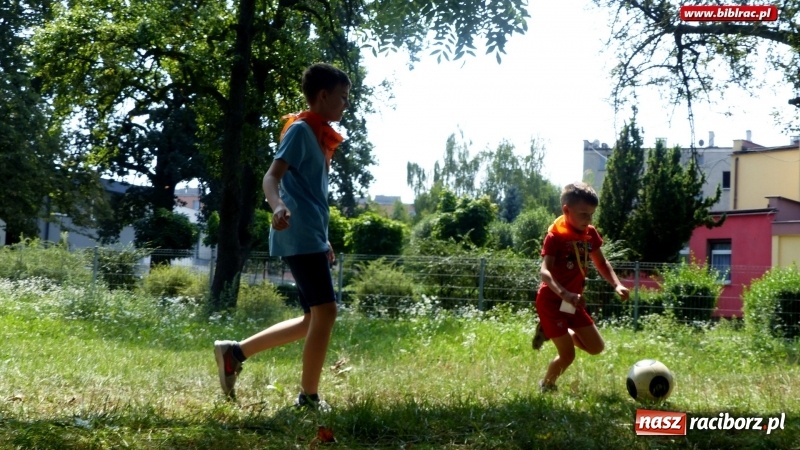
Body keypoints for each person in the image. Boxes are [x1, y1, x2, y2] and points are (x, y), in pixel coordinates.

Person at [214, 62, 350, 410]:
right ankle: (308, 397)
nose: (345, 105)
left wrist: (325, 238)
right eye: (342, 98)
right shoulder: (301, 130)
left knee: (312, 319)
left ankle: (235, 354)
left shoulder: (317, 135)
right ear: (323, 95)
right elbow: (271, 178)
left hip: (310, 235)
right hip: (297, 233)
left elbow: (311, 194)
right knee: (327, 312)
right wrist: (276, 207)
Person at [531, 182, 630, 393]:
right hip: (551, 301)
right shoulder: (555, 237)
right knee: (568, 356)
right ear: (566, 210)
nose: (589, 219)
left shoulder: (590, 234)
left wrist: (617, 285)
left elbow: (602, 263)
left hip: (573, 302)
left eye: (592, 214)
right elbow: (544, 272)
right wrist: (564, 293)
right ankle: (546, 385)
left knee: (596, 347)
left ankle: (553, 331)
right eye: (584, 213)